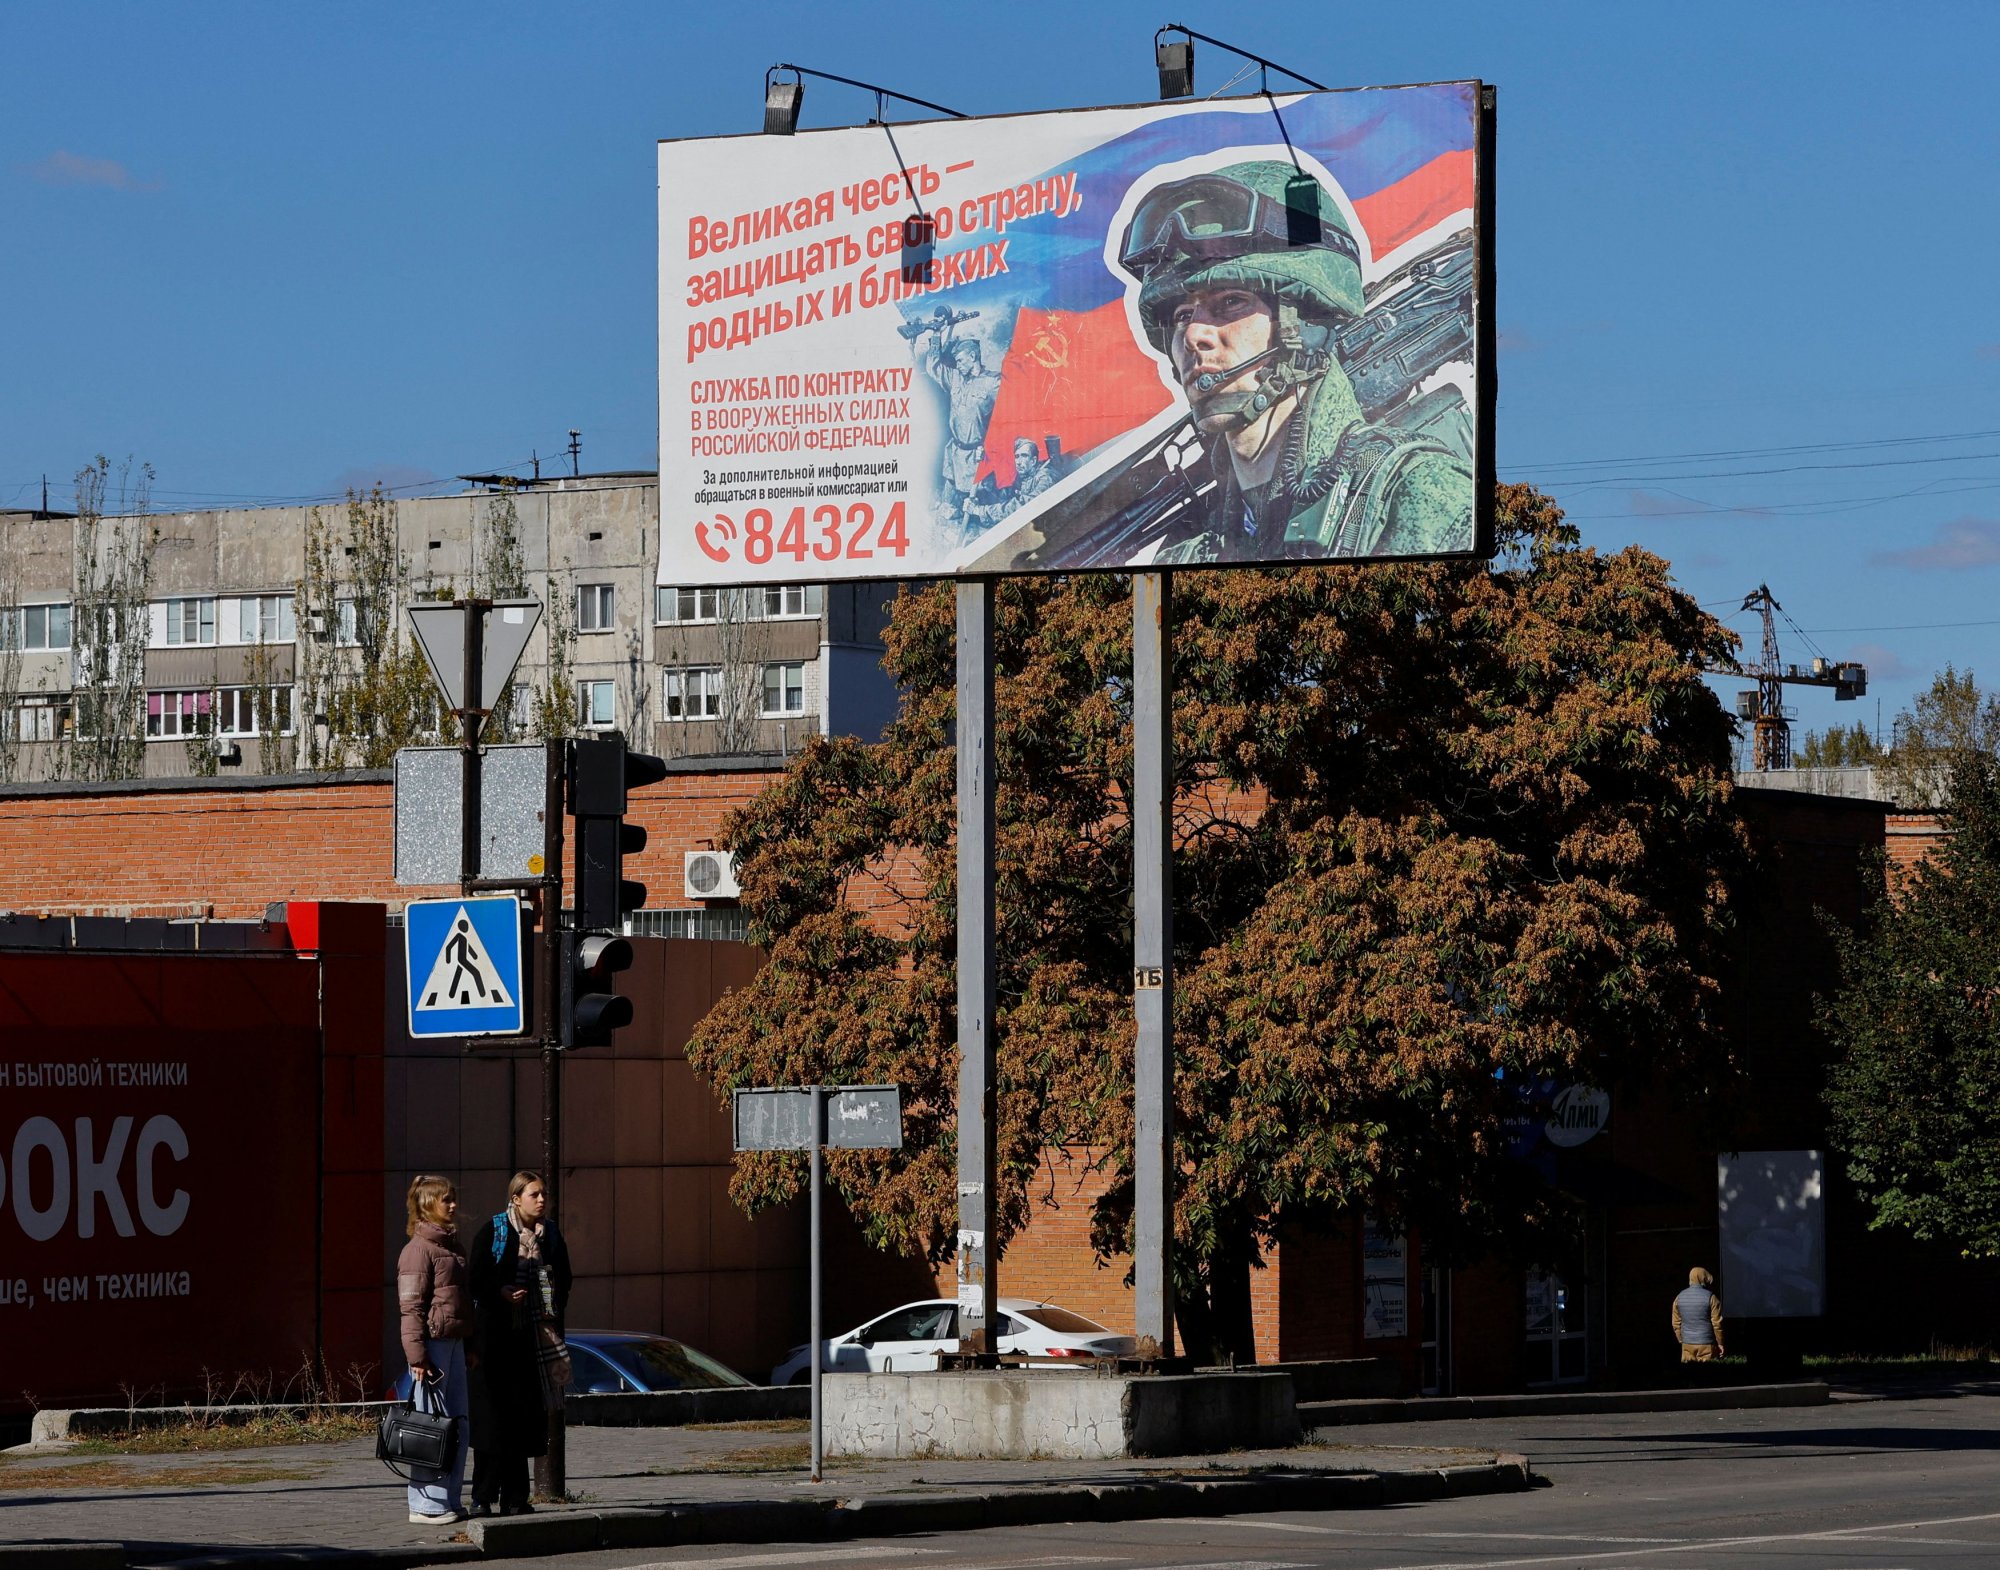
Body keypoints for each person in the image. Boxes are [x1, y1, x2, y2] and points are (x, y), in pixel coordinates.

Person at [1112, 160, 1474, 565]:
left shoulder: (1419, 499)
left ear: (1302, 326)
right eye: (1182, 316)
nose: (1194, 335)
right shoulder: (1185, 555)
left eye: (1230, 302)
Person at [467, 1171, 573, 1518]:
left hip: (530, 1342)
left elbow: (561, 1279)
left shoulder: (550, 1234)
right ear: (515, 1199)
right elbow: (475, 1280)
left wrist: (548, 1310)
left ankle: (515, 1499)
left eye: (544, 1194)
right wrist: (500, 1292)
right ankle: (482, 1497)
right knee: (491, 1423)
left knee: (522, 1422)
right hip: (493, 1342)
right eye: (533, 1194)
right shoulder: (495, 1231)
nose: (541, 1200)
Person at [396, 1174, 474, 1525]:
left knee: (457, 1425)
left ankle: (449, 1500)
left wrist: (470, 1344)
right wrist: (417, 1356)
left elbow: (464, 1302)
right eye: (446, 1199)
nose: (453, 1204)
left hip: (454, 1343)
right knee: (431, 1427)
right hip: (432, 1347)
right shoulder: (417, 1251)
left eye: (453, 1198)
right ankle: (425, 1504)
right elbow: (410, 1308)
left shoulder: (453, 1247)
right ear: (428, 1204)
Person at [1673, 1266, 1726, 1363]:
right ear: (1704, 1278)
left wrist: (1681, 1340)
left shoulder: (1679, 1297)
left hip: (1687, 1344)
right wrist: (1720, 1343)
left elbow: (1675, 1323)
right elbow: (1717, 1324)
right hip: (1707, 1344)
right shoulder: (1711, 1297)